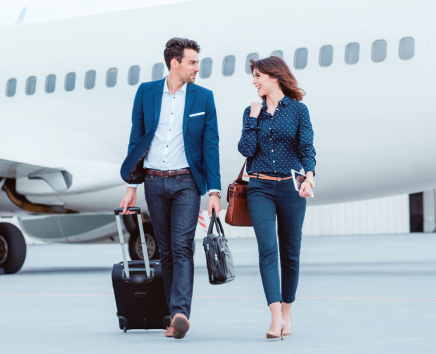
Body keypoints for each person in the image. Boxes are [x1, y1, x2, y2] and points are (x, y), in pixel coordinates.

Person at [120, 37, 222, 339]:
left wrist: (214, 191)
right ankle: (172, 316)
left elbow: (210, 145)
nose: (197, 69)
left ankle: (180, 313)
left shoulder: (203, 97)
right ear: (174, 63)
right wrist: (131, 186)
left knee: (181, 246)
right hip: (153, 180)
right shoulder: (146, 93)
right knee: (165, 250)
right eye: (192, 62)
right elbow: (136, 138)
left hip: (186, 183)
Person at [238, 56, 316, 339]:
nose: (254, 81)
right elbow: (246, 149)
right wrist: (253, 118)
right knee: (267, 249)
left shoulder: (298, 110)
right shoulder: (251, 110)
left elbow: (307, 146)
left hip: (290, 188)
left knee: (290, 254)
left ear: (274, 77)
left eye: (258, 75)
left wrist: (310, 176)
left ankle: (287, 312)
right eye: (254, 76)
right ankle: (274, 317)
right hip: (259, 187)